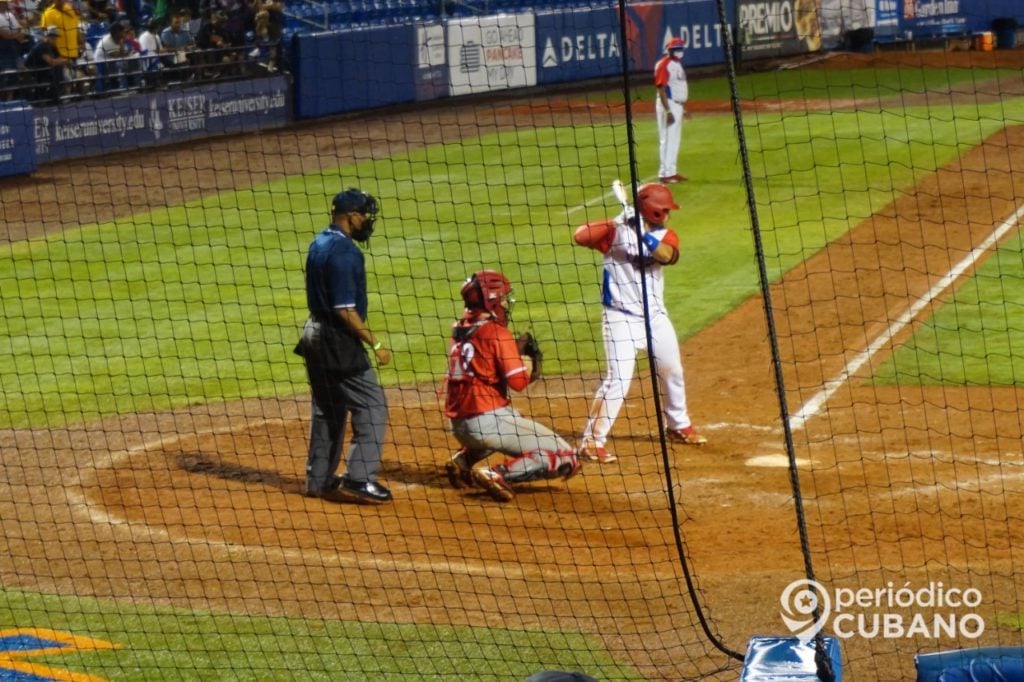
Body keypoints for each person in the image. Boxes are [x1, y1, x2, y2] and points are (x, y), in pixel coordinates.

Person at [574, 183, 706, 464]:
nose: (669, 214)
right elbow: (580, 236)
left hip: (656, 319)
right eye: (666, 209)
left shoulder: (664, 235)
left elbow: (668, 256)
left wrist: (645, 237)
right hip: (619, 318)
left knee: (672, 370)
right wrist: (615, 221)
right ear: (654, 210)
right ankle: (591, 441)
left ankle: (678, 425)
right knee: (618, 380)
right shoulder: (616, 232)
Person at [442, 270, 581, 502]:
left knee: (514, 417)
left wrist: (512, 351)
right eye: (504, 298)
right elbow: (519, 383)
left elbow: (484, 362)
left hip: (459, 426)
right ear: (491, 299)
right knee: (567, 457)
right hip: (486, 424)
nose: (506, 303)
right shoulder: (497, 332)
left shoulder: (459, 330)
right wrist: (531, 363)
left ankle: (463, 461)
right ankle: (497, 474)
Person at [293, 188, 393, 505]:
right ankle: (359, 478)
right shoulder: (347, 253)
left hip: (312, 333)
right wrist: (375, 343)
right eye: (364, 215)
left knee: (328, 408)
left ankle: (319, 480)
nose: (367, 221)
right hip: (336, 338)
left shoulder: (319, 241)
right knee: (372, 405)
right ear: (351, 216)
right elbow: (345, 310)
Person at [654, 37, 688, 184]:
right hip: (668, 105)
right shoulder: (664, 65)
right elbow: (661, 88)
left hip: (677, 105)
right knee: (667, 139)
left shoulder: (677, 64)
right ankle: (665, 173)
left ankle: (672, 171)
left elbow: (676, 87)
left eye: (680, 48)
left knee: (674, 139)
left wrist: (682, 108)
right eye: (676, 49)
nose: (679, 51)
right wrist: (668, 111)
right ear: (669, 50)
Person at [23, 25, 69, 102]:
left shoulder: (52, 46)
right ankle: (52, 98)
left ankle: (54, 97)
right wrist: (64, 61)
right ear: (47, 36)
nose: (54, 39)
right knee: (55, 71)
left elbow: (58, 58)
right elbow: (51, 62)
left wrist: (62, 61)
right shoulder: (41, 46)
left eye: (55, 37)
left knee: (58, 70)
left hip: (43, 71)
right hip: (32, 71)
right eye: (52, 37)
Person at [0, 0, 28, 101]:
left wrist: (18, 35)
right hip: (3, 51)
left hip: (13, 49)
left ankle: (10, 100)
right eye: (3, 2)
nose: (6, 4)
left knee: (15, 76)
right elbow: (4, 34)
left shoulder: (10, 15)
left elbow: (20, 29)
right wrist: (16, 36)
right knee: (4, 77)